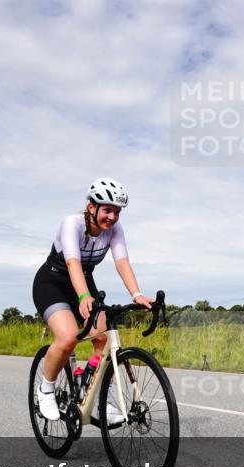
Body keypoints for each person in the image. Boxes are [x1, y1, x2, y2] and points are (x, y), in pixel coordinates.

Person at [32, 178, 154, 424]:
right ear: (91, 207)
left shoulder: (114, 231)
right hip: (52, 283)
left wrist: (136, 294)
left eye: (117, 212)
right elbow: (72, 263)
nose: (112, 217)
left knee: (103, 337)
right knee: (67, 338)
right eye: (107, 210)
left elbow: (122, 262)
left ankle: (102, 400)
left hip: (84, 282)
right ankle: (46, 389)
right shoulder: (72, 224)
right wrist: (84, 296)